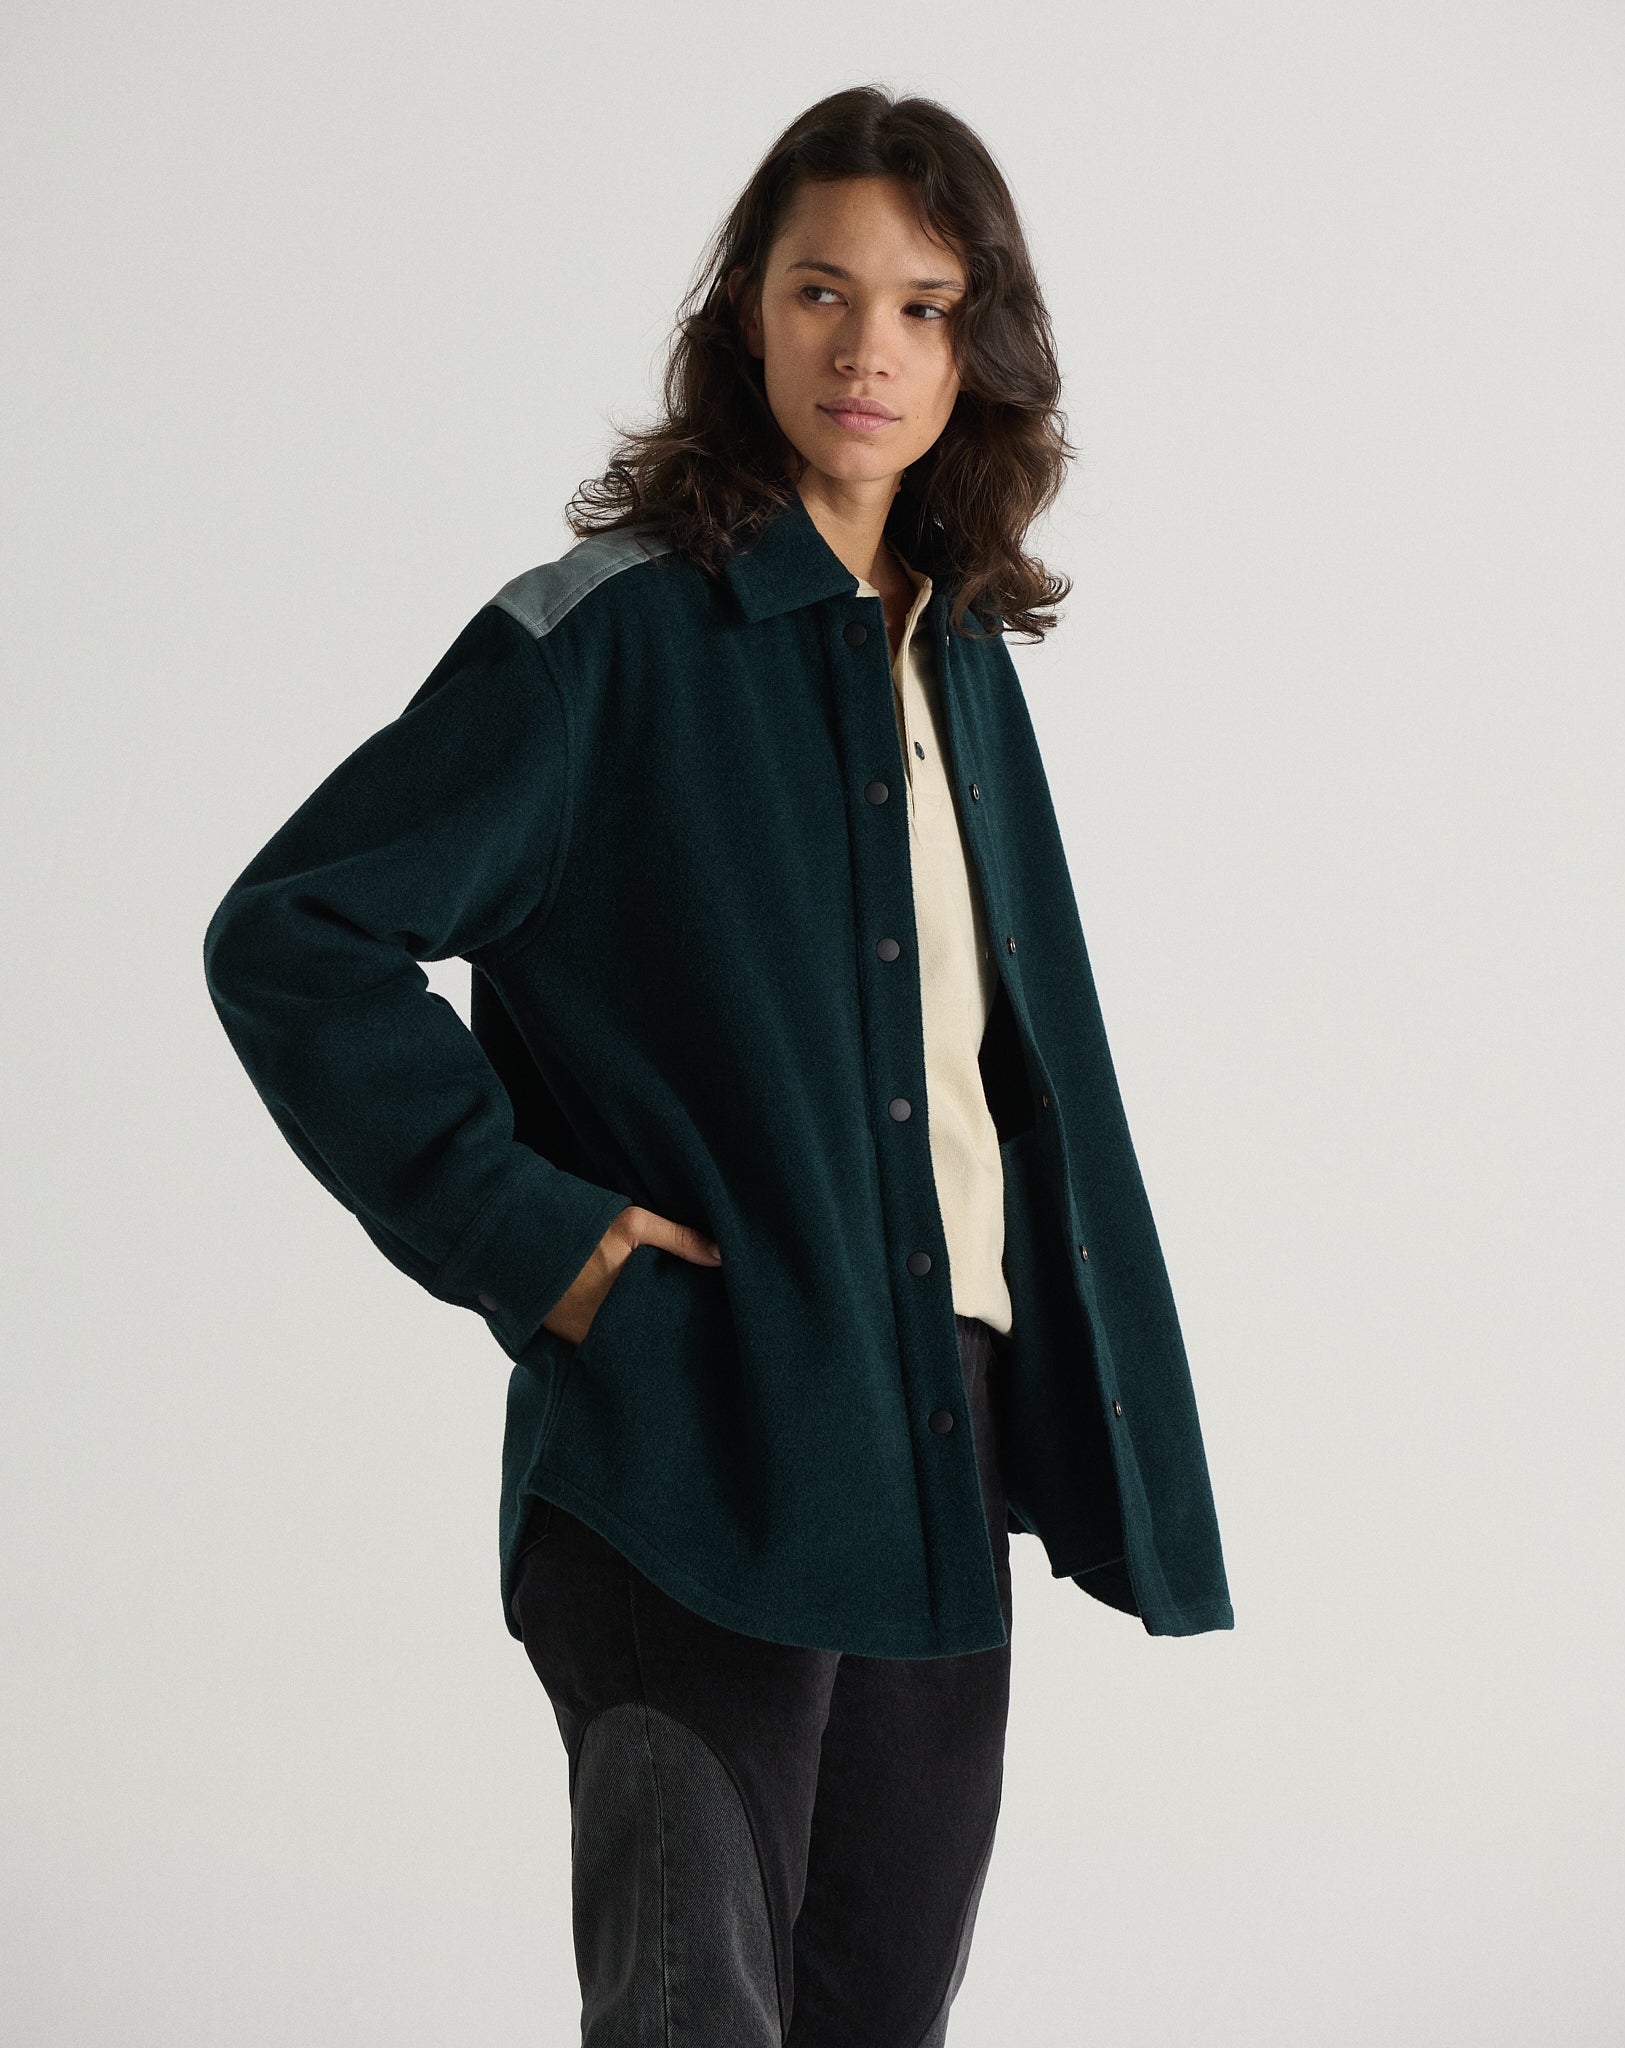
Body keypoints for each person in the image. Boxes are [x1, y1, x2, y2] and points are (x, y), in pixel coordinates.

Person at [203, 84, 1233, 2048]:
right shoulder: (601, 643)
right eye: (821, 291)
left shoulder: (958, 664)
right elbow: (295, 933)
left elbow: (998, 1084)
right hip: (690, 1445)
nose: (868, 349)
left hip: (937, 1449)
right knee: (691, 2018)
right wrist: (544, 1242)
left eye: (925, 307)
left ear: (980, 352)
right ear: (744, 315)